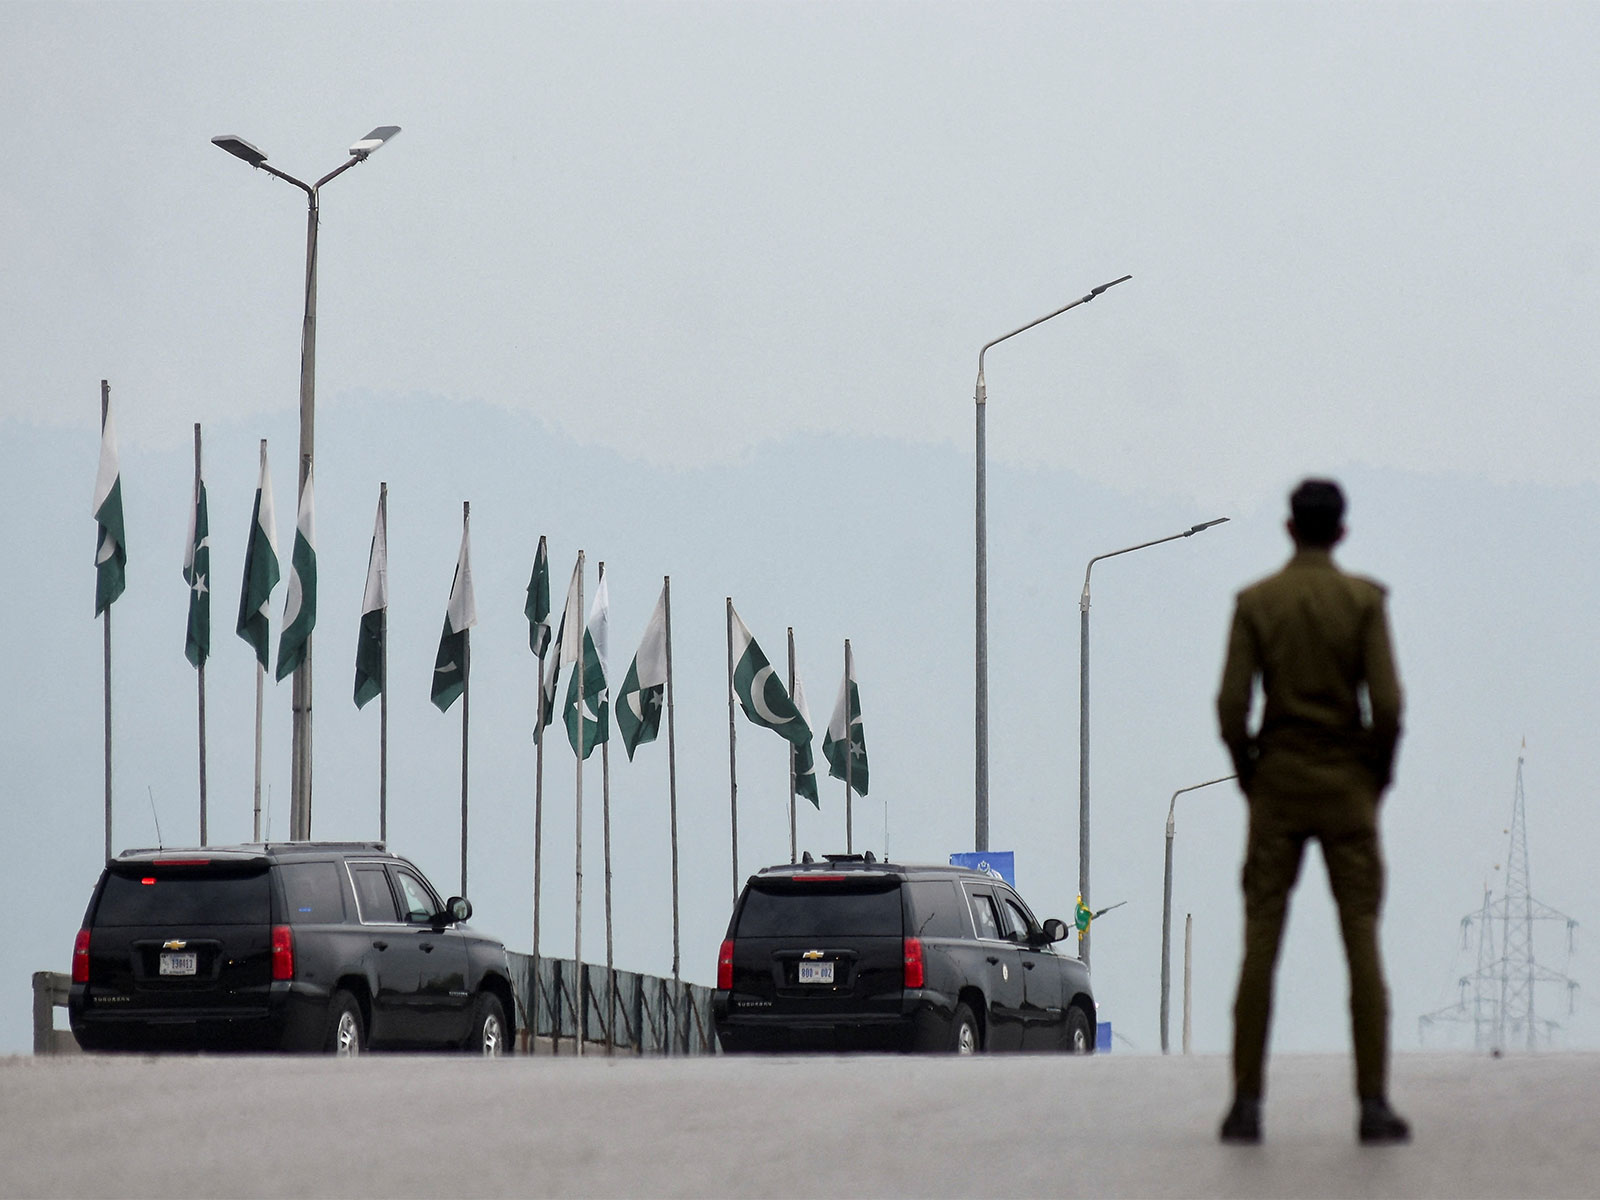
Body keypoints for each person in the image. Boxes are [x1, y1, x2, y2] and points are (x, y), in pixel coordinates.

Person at [1214, 479, 1410, 1146]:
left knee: (1260, 943)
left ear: (1290, 529)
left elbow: (1231, 707)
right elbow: (1387, 706)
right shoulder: (1363, 602)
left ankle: (1245, 1104)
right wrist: (1375, 778)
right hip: (1347, 784)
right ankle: (1373, 1104)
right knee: (1361, 938)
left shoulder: (1256, 604)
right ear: (1342, 533)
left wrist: (1251, 776)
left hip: (1278, 782)